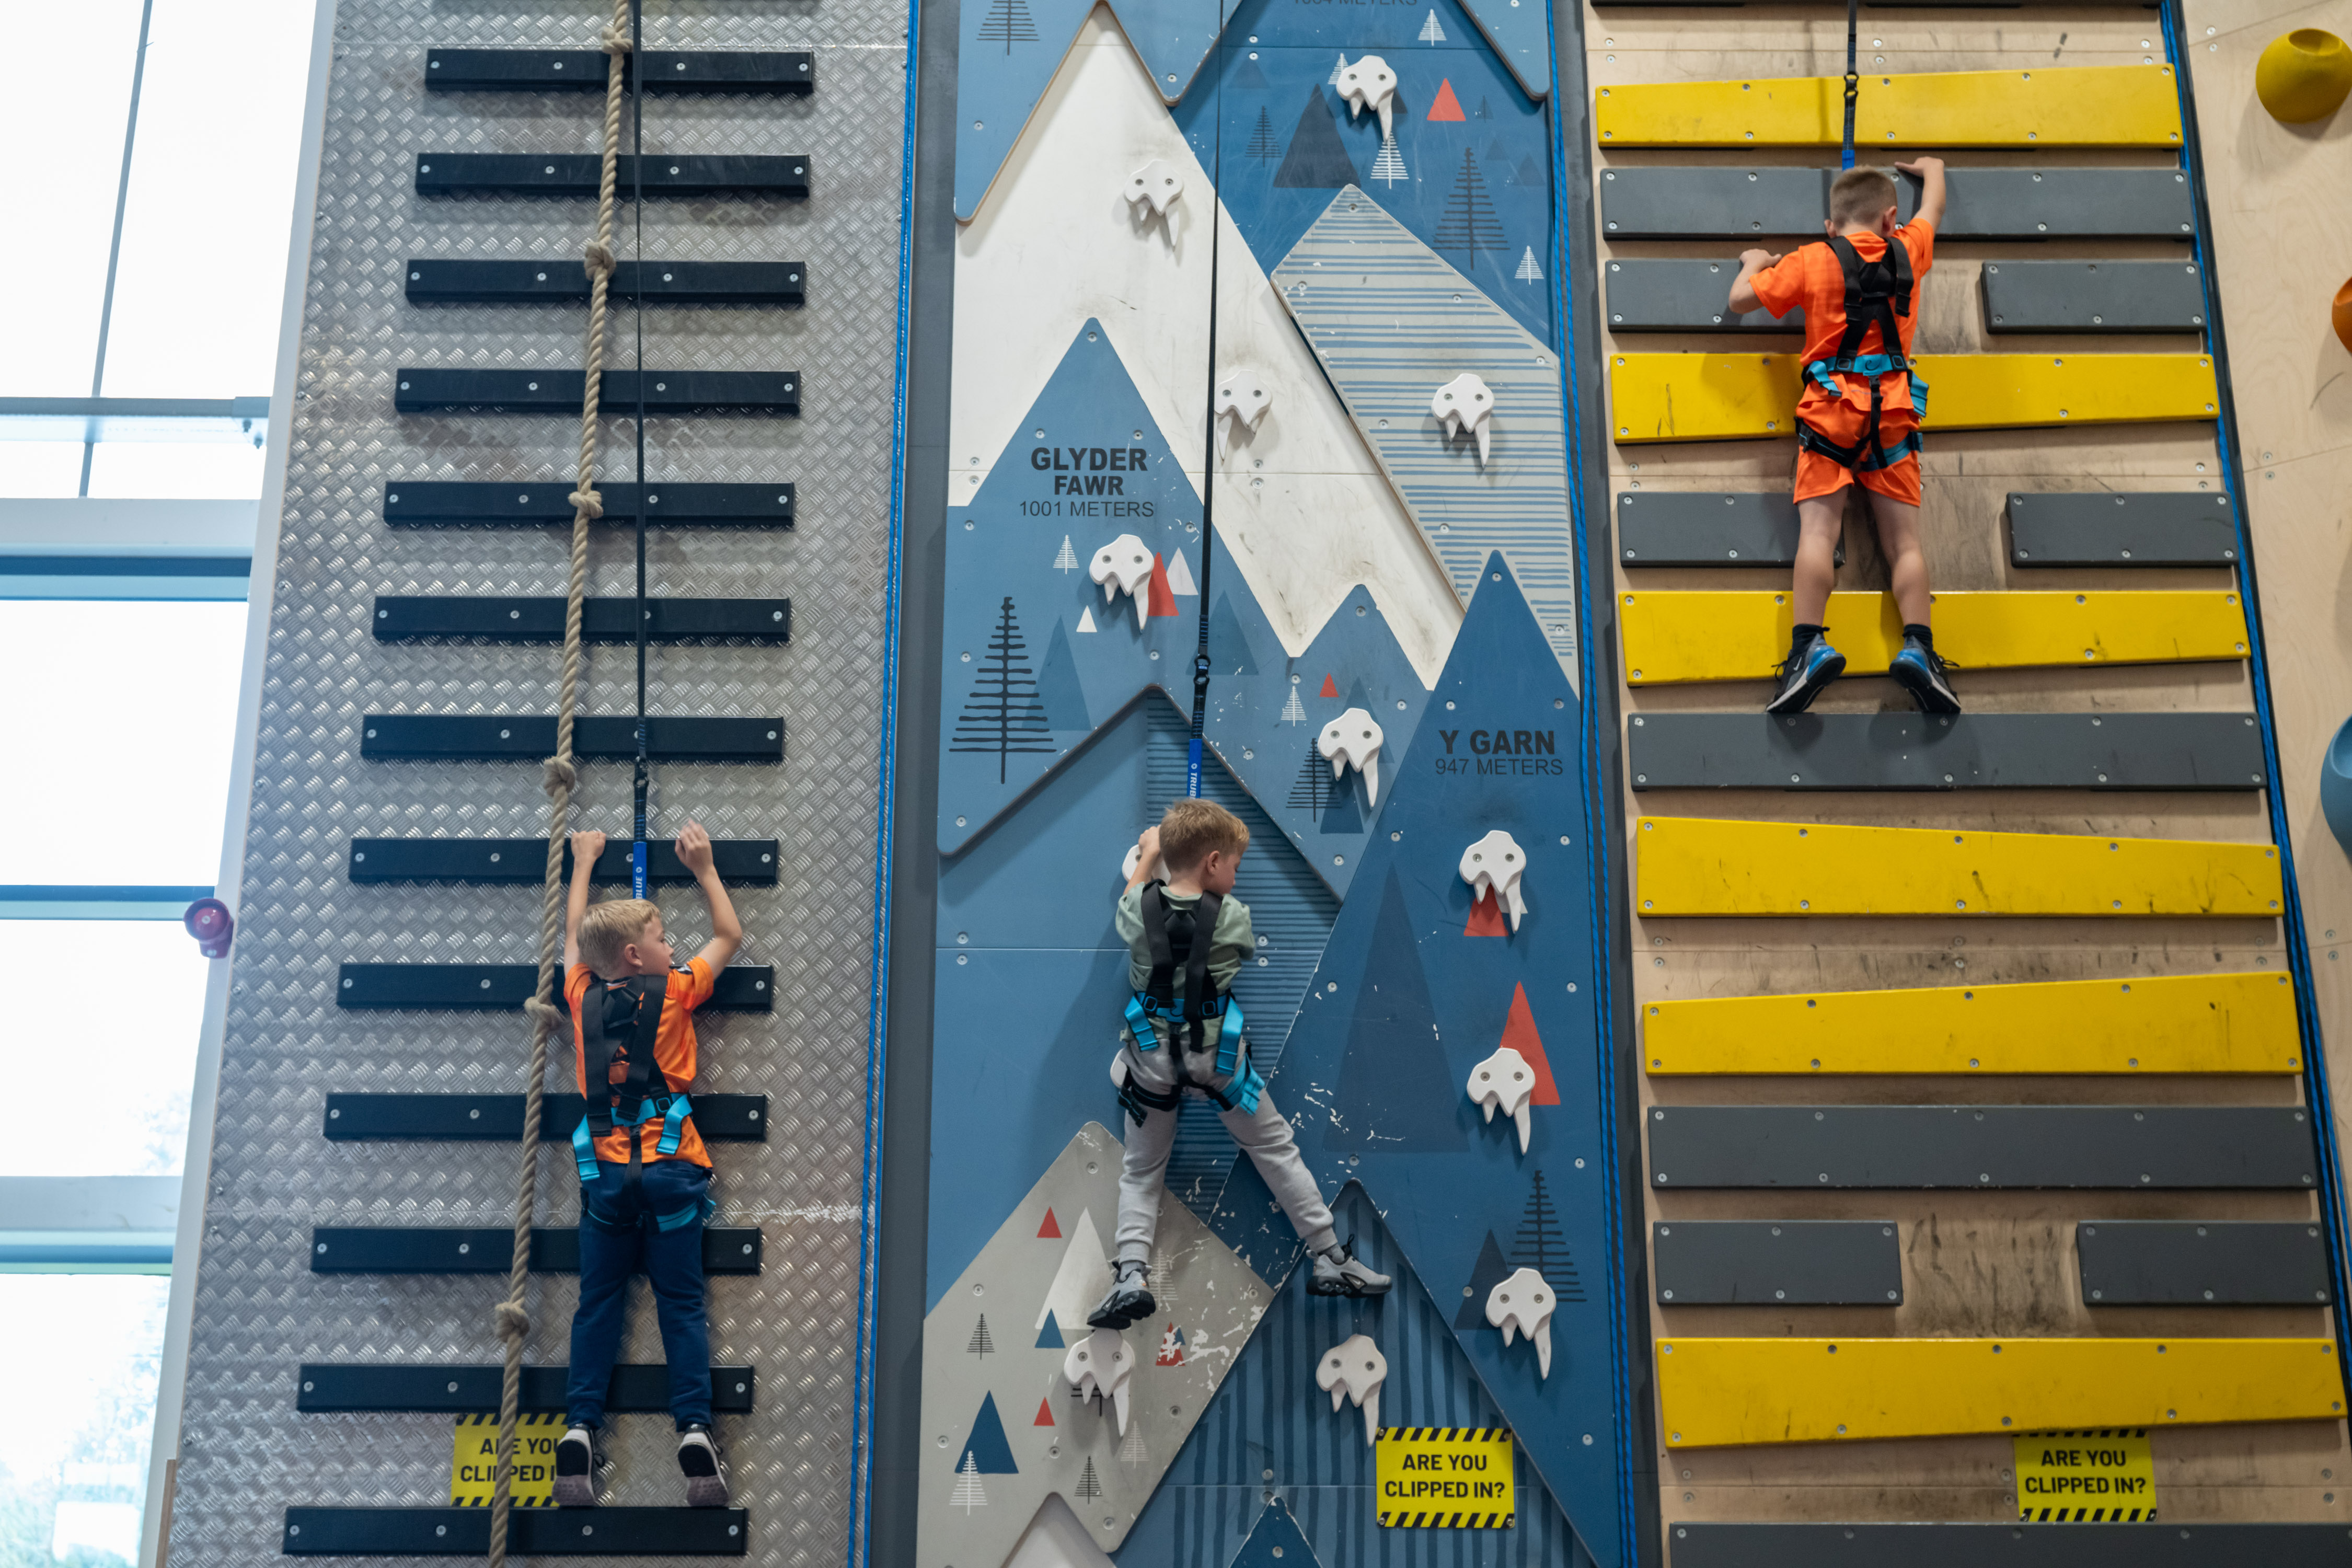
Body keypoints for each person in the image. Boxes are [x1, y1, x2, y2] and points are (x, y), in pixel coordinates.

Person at [1090, 799, 1391, 1331]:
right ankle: (1328, 1255)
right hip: (1219, 1061)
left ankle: (1131, 1273)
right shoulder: (1232, 918)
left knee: (1141, 1170)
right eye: (1233, 865)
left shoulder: (1138, 909)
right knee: (1274, 1149)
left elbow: (1132, 897)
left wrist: (1151, 852)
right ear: (1212, 863)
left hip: (1152, 1062)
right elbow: (1237, 945)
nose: (1236, 875)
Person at [552, 823, 742, 1509]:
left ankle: (580, 1427)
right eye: (663, 938)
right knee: (681, 1304)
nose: (673, 947)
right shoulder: (679, 989)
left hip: (604, 1178)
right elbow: (729, 936)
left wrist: (583, 864)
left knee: (598, 1303)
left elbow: (573, 941)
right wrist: (705, 869)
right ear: (638, 955)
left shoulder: (581, 997)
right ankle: (693, 1428)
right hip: (671, 1172)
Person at [1729, 157, 1958, 716]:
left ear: (1830, 226)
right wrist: (1933, 170)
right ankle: (1920, 648)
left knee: (1818, 533)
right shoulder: (1909, 248)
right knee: (1905, 544)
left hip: (1830, 414)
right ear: (1890, 219)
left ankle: (1808, 646)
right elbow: (1933, 208)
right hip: (1894, 414)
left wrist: (1754, 262)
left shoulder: (1812, 258)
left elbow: (1741, 301)